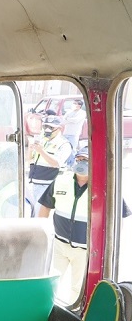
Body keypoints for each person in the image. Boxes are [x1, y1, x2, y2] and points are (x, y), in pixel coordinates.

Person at [37, 148, 129, 304]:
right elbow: (45, 206)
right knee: (48, 281)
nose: (81, 163)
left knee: (78, 289)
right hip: (59, 244)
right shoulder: (61, 181)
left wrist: (110, 245)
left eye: (86, 160)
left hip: (85, 250)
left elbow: (119, 216)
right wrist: (41, 233)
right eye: (79, 159)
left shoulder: (105, 186)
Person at [28, 115, 73, 208]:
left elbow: (56, 163)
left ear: (59, 129)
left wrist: (41, 151)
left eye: (51, 127)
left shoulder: (64, 144)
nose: (47, 130)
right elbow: (29, 160)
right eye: (45, 126)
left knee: (41, 216)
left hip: (49, 186)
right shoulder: (42, 140)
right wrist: (30, 148)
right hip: (34, 184)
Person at [62, 99, 86, 165]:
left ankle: (71, 164)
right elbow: (63, 121)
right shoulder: (69, 112)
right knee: (64, 149)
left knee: (72, 149)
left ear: (79, 105)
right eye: (73, 103)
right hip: (66, 133)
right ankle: (64, 163)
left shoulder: (82, 113)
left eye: (75, 103)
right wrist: (69, 120)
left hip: (74, 134)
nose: (73, 105)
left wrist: (68, 119)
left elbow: (76, 120)